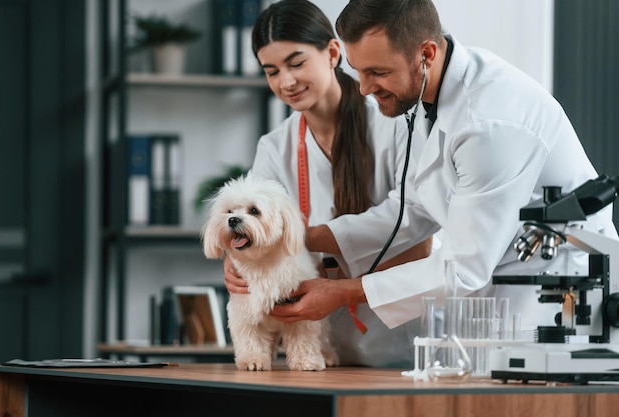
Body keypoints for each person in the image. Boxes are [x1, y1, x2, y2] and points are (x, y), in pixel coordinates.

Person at [268, 0, 618, 342]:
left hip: (560, 290)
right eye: (358, 70)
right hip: (502, 289)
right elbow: (414, 209)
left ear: (427, 54)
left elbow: (462, 269)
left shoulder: (490, 123)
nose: (364, 88)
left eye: (378, 72)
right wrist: (306, 236)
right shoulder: (425, 97)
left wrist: (343, 292)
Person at [223, 0, 433, 368]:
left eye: (296, 63)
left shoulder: (395, 124)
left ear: (333, 52)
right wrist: (237, 255)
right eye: (271, 71)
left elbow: (419, 237)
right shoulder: (274, 147)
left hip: (401, 338)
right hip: (315, 344)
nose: (286, 82)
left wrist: (305, 238)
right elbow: (255, 229)